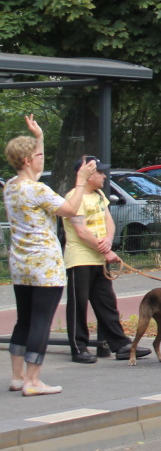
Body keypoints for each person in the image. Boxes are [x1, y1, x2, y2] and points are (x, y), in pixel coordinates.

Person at [5, 117, 93, 397]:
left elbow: (34, 170)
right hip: (45, 264)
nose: (42, 159)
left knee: (24, 320)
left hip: (21, 264)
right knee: (42, 321)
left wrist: (39, 137)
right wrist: (80, 182)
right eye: (39, 155)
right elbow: (70, 209)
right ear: (29, 160)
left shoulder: (11, 186)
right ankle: (34, 381)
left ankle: (18, 377)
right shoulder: (39, 190)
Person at [63, 156, 150, 363]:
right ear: (87, 174)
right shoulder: (75, 196)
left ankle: (120, 344)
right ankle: (79, 347)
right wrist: (105, 250)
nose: (104, 175)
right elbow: (81, 231)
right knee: (78, 304)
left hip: (98, 258)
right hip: (80, 259)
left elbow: (108, 220)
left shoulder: (99, 194)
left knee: (106, 302)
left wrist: (109, 241)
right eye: (100, 172)